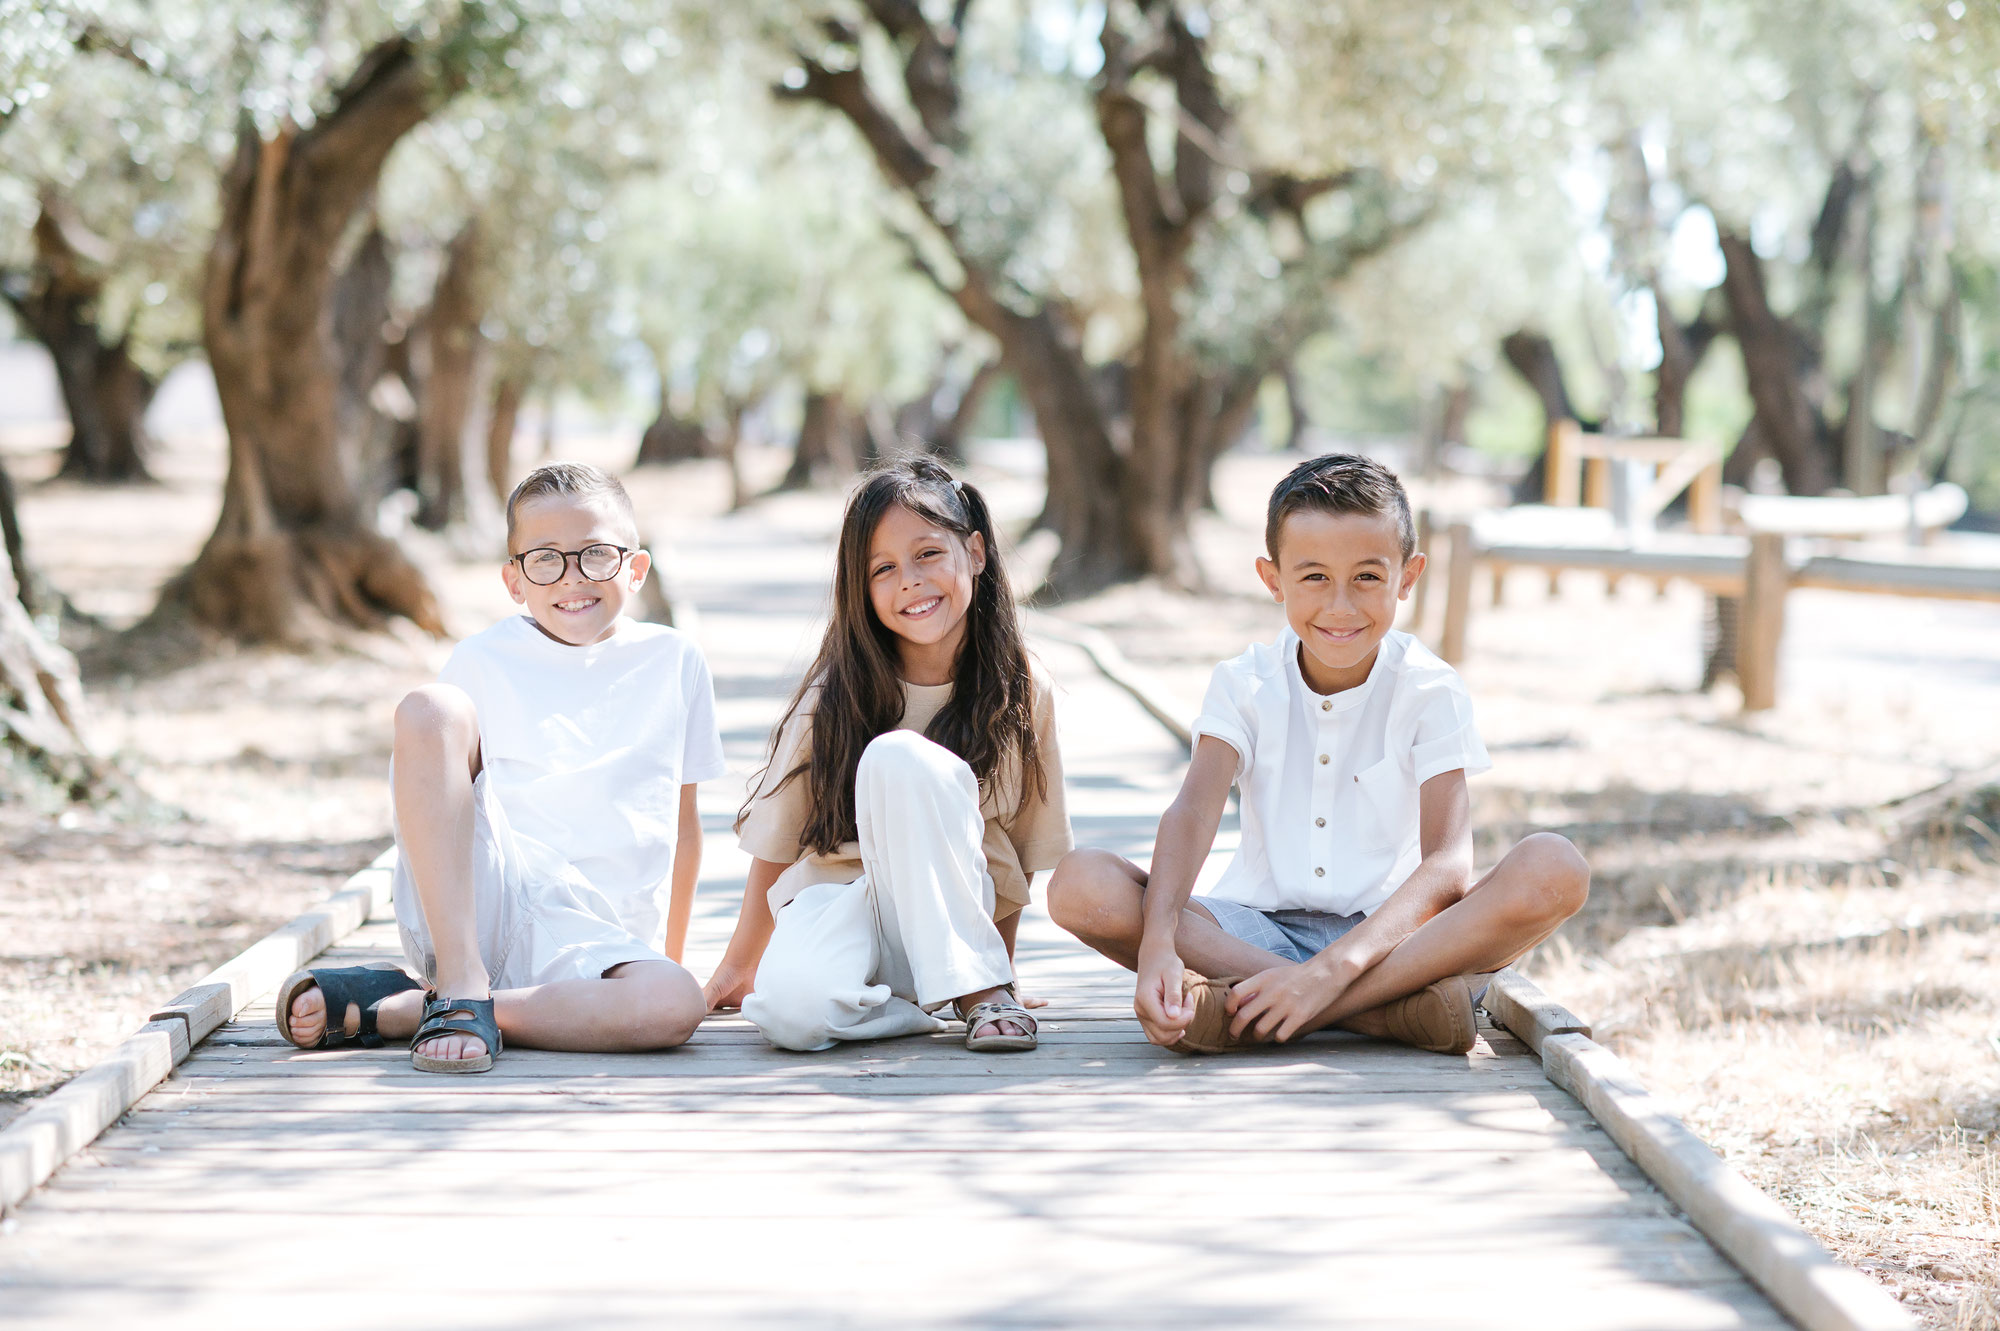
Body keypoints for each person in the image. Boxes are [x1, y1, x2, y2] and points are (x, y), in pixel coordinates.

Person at [1047, 453, 1590, 1055]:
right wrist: (1158, 942)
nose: (1340, 606)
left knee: (1554, 868)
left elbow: (1446, 865)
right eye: (1313, 578)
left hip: (1392, 938)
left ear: (1407, 578)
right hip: (1250, 930)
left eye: (1367, 577)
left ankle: (1259, 1008)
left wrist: (1326, 976)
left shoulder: (1430, 688)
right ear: (1272, 578)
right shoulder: (1245, 681)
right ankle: (1384, 1016)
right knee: (1081, 882)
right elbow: (1194, 814)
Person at [275, 462, 722, 1072]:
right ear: (514, 581)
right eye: (545, 559)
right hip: (488, 905)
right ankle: (459, 983)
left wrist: (666, 957)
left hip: (596, 944)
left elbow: (684, 826)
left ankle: (426, 1008)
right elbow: (440, 785)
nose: (572, 578)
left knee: (676, 1003)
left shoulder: (675, 661)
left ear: (635, 568)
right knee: (432, 708)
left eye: (596, 555)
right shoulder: (483, 658)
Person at [706, 458, 1070, 1053]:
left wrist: (995, 976)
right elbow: (775, 846)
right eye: (884, 568)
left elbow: (1019, 855)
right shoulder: (834, 694)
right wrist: (735, 969)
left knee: (898, 757)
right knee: (786, 1015)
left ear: (975, 553)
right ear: (861, 587)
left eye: (929, 554)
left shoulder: (1021, 688)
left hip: (952, 910)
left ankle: (968, 989)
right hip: (845, 903)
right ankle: (915, 1007)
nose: (910, 581)